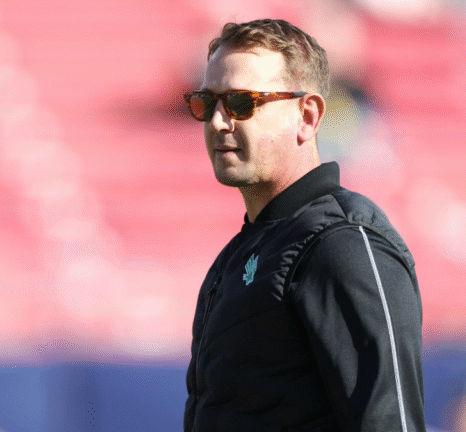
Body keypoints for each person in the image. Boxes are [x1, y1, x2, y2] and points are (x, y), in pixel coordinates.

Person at [182, 19, 426, 431]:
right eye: (208, 103)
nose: (220, 122)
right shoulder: (237, 257)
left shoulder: (342, 242)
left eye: (242, 103)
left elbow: (388, 423)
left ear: (308, 116)